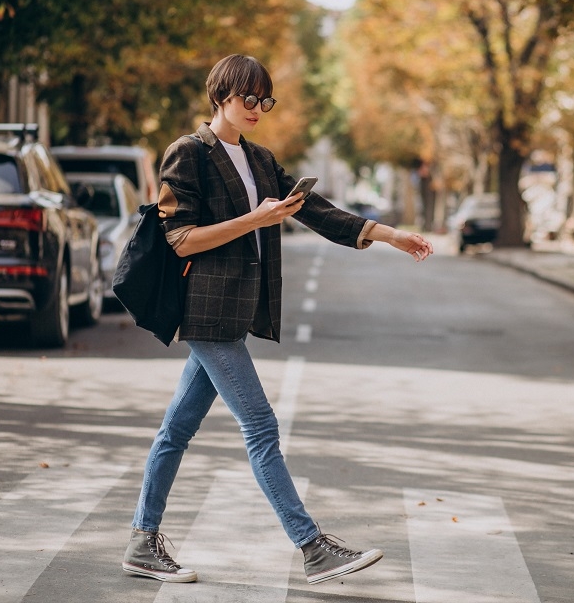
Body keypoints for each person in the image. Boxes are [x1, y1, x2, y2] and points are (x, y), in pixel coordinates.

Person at [122, 54, 434, 585]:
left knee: (176, 430)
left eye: (266, 100)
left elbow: (319, 212)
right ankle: (312, 548)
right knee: (261, 426)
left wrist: (389, 235)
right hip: (206, 314)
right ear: (222, 95)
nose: (258, 109)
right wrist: (255, 220)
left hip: (235, 313)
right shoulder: (187, 154)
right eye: (250, 98)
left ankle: (141, 542)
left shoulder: (261, 160)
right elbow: (180, 240)